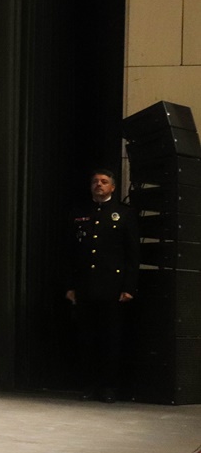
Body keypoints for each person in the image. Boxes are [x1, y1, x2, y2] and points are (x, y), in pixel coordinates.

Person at [65, 169, 139, 403]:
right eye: (95, 181)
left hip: (112, 287)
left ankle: (109, 387)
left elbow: (132, 255)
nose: (99, 185)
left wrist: (129, 286)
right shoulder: (80, 213)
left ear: (113, 187)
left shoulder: (124, 214)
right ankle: (89, 385)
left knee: (110, 339)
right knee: (87, 339)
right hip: (86, 286)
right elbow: (70, 254)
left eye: (104, 182)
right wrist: (70, 285)